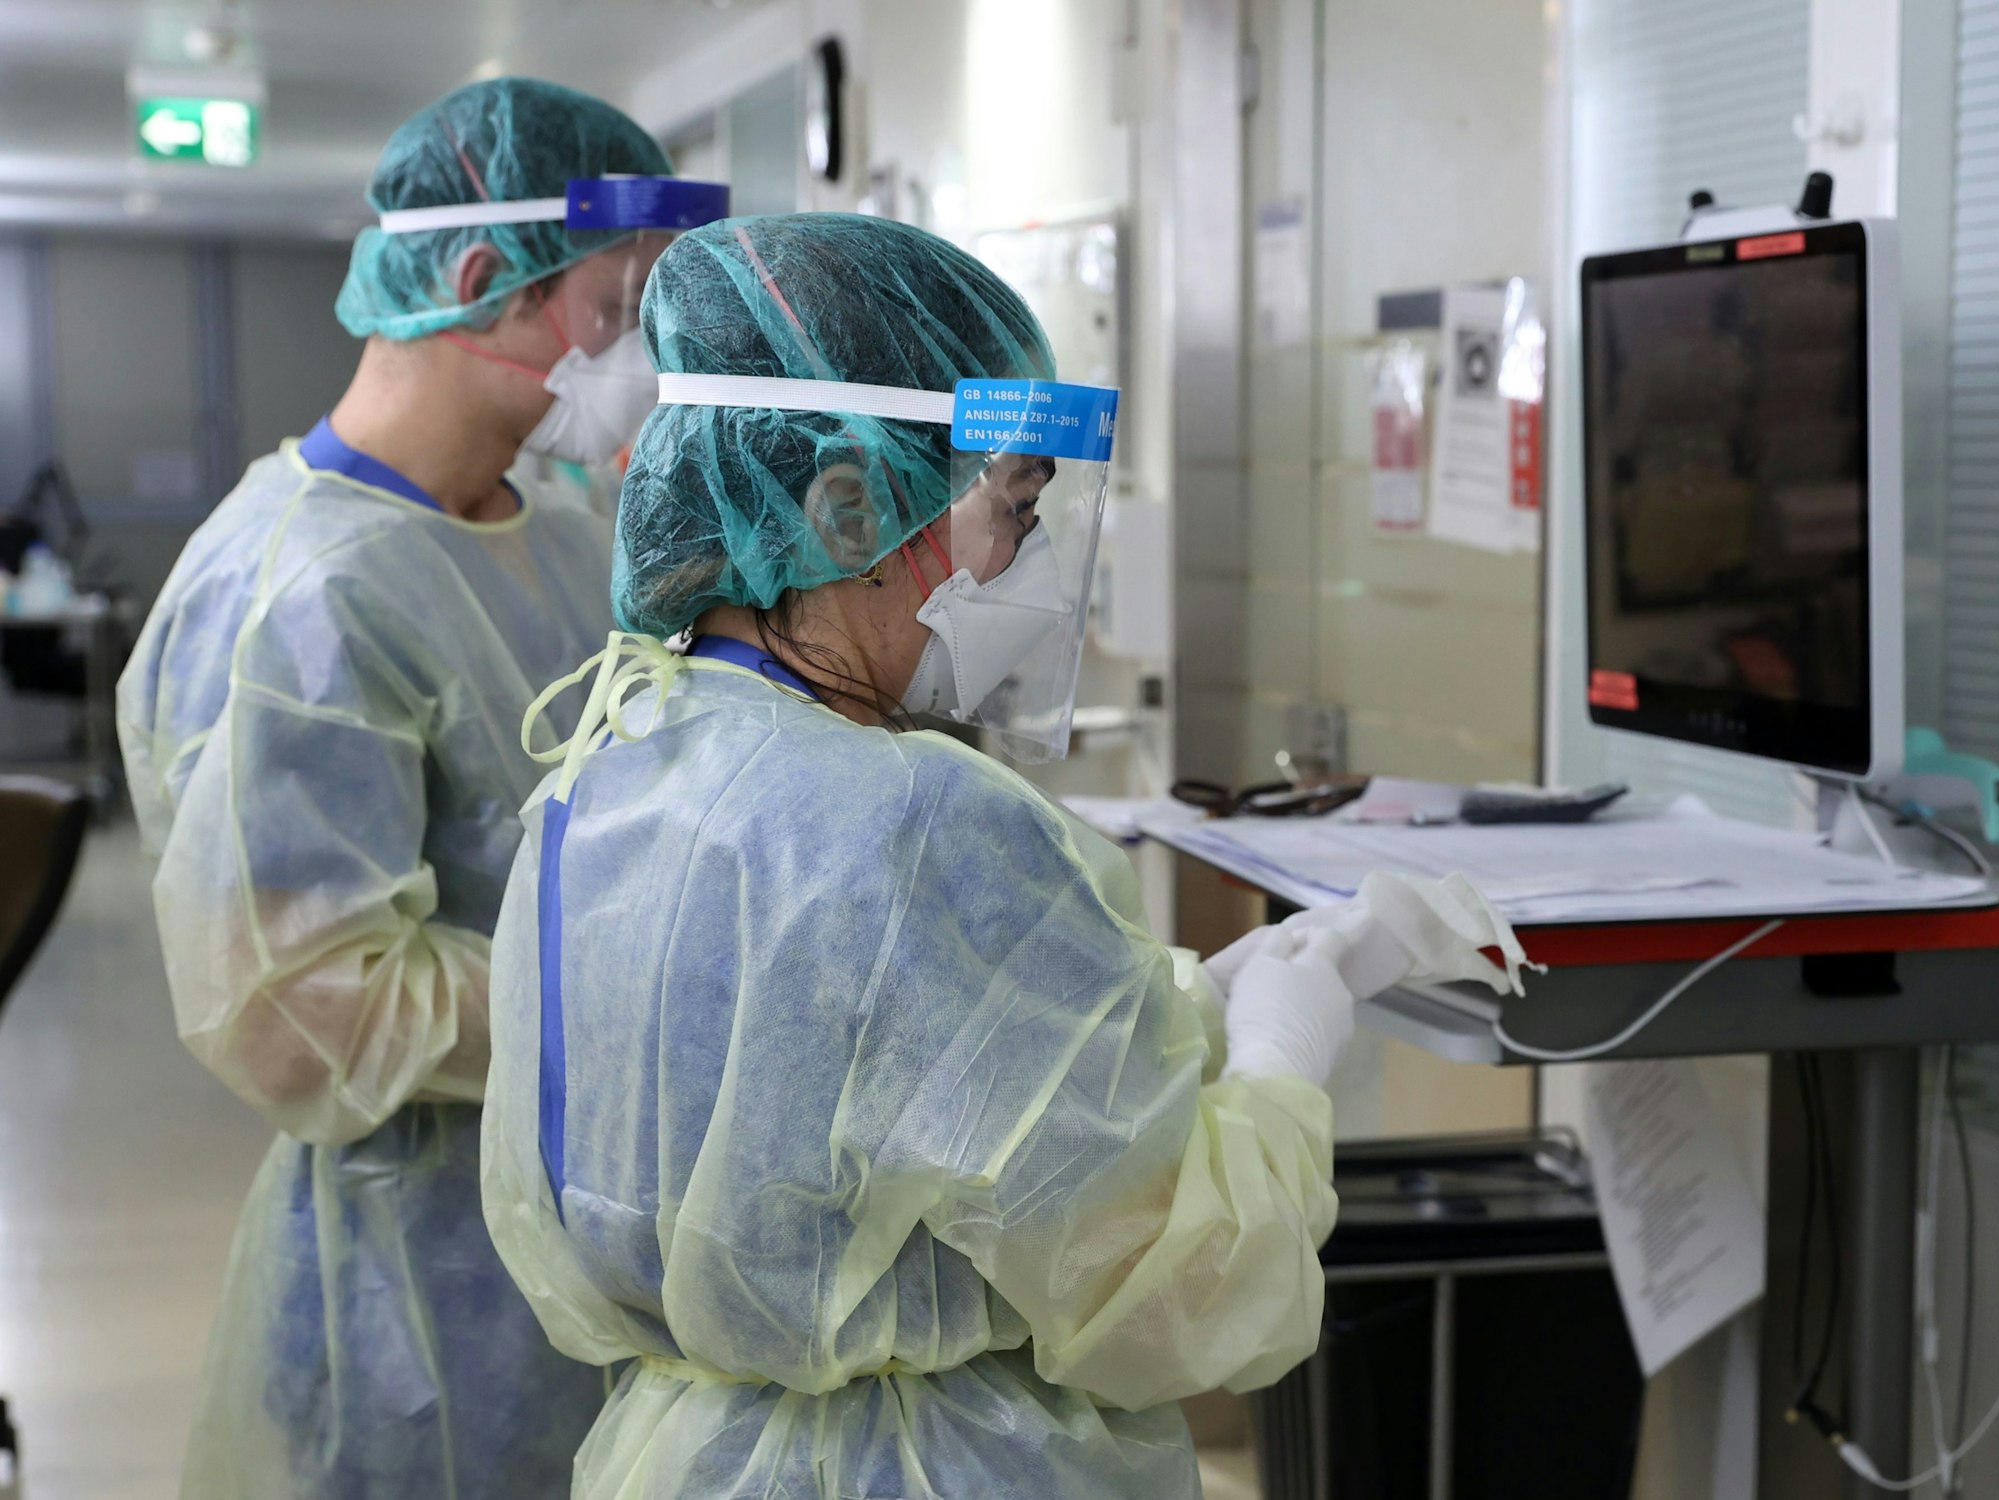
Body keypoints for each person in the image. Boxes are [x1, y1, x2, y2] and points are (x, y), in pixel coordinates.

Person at [478, 213, 1532, 1499]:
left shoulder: (614, 757)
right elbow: (1185, 1297)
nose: (1030, 563)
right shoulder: (907, 822)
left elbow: (835, 1103)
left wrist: (1175, 1006)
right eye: (1010, 507)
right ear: (846, 501)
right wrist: (1281, 1049)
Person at [116, 77, 727, 1500]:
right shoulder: (296, 598)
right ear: (477, 281)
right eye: (615, 306)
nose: (638, 352)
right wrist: (644, 994)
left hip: (605, 1256)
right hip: (424, 1305)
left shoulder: (569, 537)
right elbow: (296, 1010)